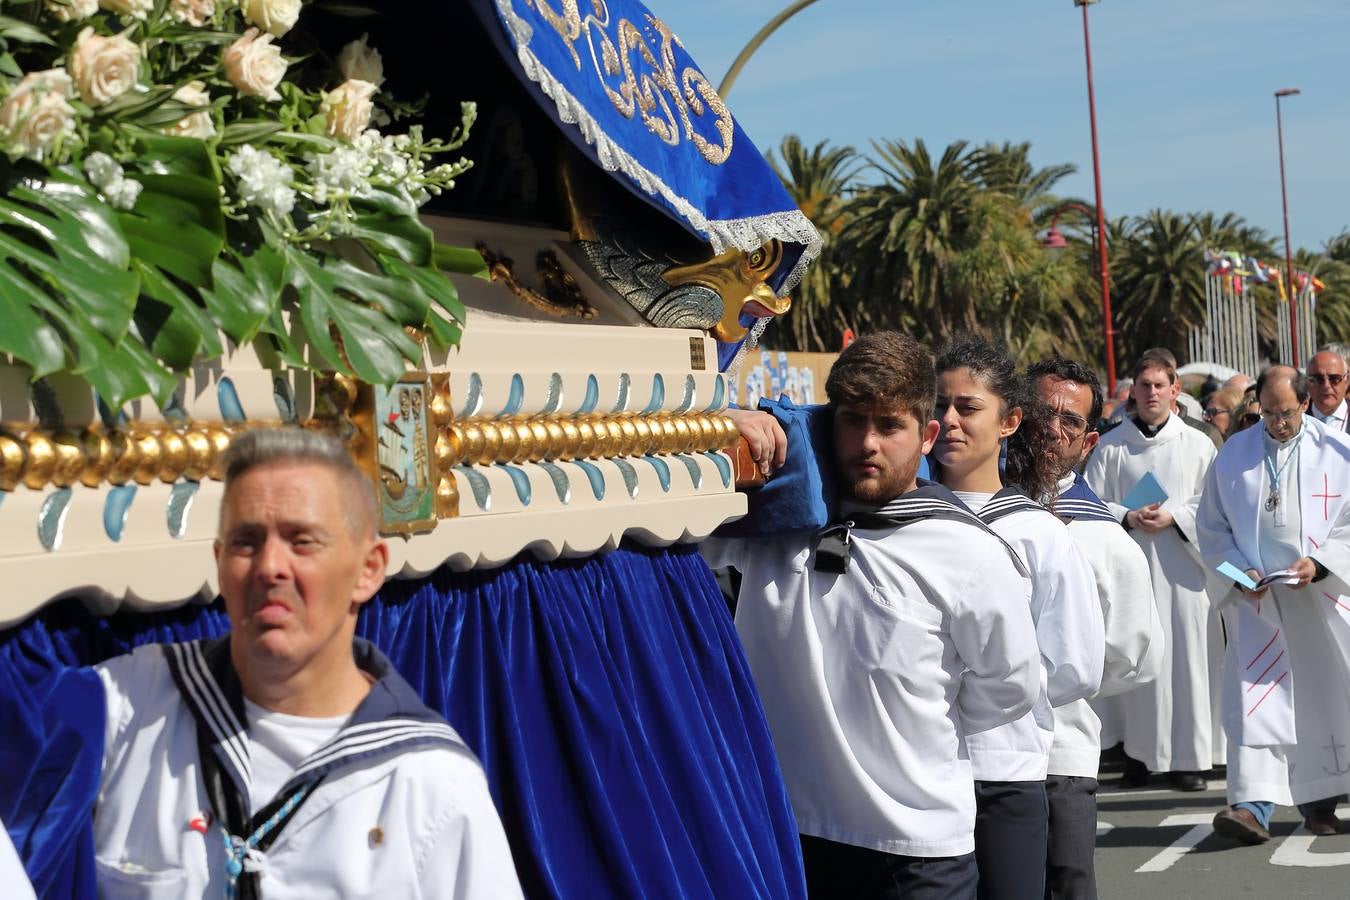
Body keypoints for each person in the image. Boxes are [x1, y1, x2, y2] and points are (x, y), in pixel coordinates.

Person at [93, 429, 523, 898]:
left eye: (302, 541)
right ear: (220, 564)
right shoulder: (133, 703)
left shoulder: (431, 788)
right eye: (245, 542)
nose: (269, 566)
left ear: (368, 570)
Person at [703, 331, 1041, 900]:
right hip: (791, 835)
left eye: (889, 426)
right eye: (852, 420)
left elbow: (1006, 692)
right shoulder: (767, 527)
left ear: (927, 435)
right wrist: (722, 425)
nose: (867, 442)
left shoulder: (973, 555)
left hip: (916, 855)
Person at [932, 336, 1103, 900]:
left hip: (1001, 768)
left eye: (968, 407)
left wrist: (981, 689)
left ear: (1009, 423)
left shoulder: (1041, 534)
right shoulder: (900, 520)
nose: (950, 421)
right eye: (938, 406)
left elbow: (1077, 666)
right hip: (919, 770)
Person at [1029, 357, 1163, 900]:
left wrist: (1056, 683)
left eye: (1069, 421)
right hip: (967, 757)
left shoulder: (1105, 539)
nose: (1052, 430)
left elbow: (1132, 656)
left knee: (1065, 884)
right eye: (1042, 413)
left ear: (1088, 443)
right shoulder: (968, 511)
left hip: (1060, 751)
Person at [1198, 367, 1350, 842]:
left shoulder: (1337, 454)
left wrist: (1320, 563)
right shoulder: (1234, 454)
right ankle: (1249, 807)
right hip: (1258, 601)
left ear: (1305, 403)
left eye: (1285, 413)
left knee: (1320, 702)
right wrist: (1237, 572)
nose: (1277, 423)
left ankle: (1321, 802)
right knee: (1256, 700)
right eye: (1268, 412)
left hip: (1318, 603)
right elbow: (1211, 528)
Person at [1084, 353, 1223, 793]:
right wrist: (1127, 514)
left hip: (1184, 572)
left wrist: (1177, 518)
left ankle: (1190, 758)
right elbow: (1090, 504)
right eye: (1144, 385)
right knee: (1136, 658)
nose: (1151, 393)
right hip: (1134, 572)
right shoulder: (1112, 446)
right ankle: (1138, 755)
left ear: (1175, 389)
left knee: (1186, 664)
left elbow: (1215, 506)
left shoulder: (1198, 444)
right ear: (1133, 391)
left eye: (1160, 385)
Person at [1306, 349, 1349, 433]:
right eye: (1317, 379)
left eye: (1334, 379)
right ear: (1307, 382)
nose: (1326, 386)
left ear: (1347, 380)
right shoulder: (1296, 420)